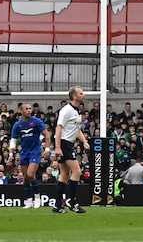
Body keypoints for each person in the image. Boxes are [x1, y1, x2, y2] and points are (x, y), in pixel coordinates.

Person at [51, 86, 89, 214]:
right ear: (74, 96)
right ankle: (71, 201)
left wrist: (84, 141)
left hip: (68, 143)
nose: (83, 95)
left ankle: (57, 205)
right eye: (81, 93)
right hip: (64, 143)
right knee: (77, 171)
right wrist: (57, 147)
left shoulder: (76, 111)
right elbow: (58, 128)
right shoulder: (66, 110)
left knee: (64, 175)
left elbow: (76, 130)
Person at [10, 103, 49, 208]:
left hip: (35, 150)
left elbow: (47, 134)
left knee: (31, 174)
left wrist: (47, 148)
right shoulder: (17, 125)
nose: (29, 110)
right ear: (21, 111)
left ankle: (37, 197)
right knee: (26, 178)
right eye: (26, 109)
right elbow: (13, 139)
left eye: (30, 109)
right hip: (24, 152)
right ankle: (28, 200)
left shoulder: (36, 121)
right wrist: (11, 151)